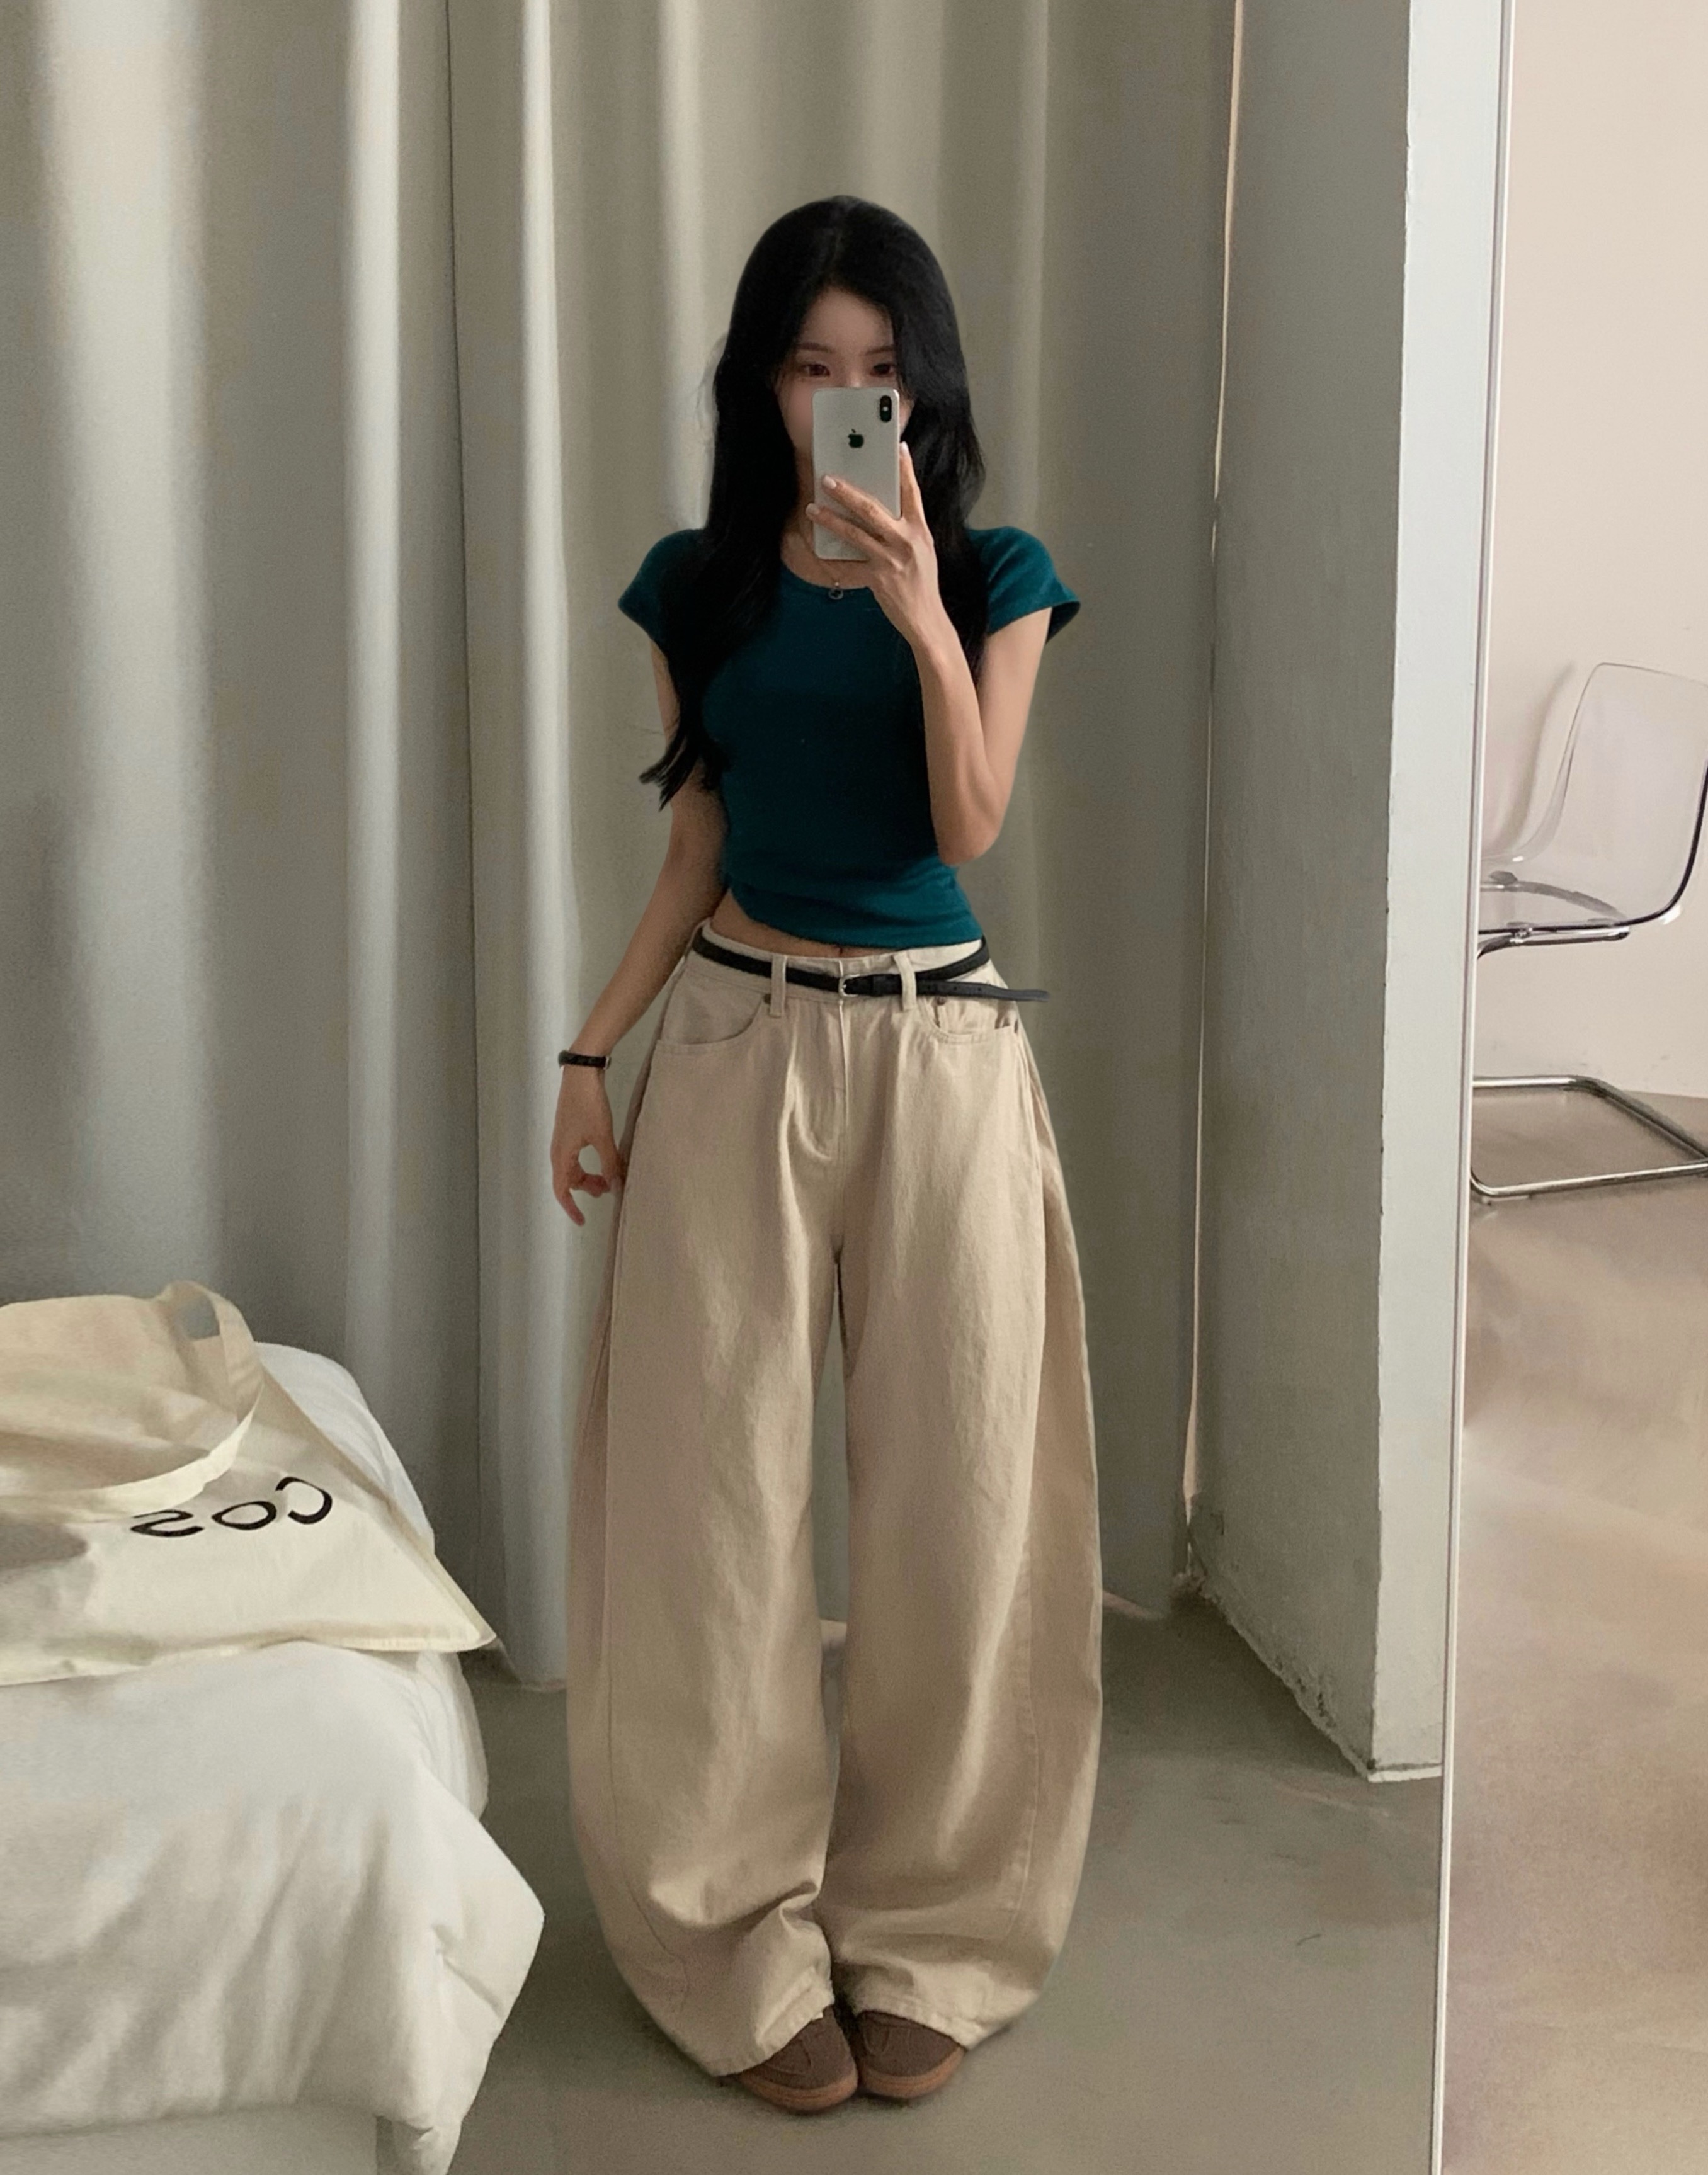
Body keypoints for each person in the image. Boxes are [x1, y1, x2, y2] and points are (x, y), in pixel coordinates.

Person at [552, 195, 1103, 2118]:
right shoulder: (694, 588)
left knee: (966, 1498)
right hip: (731, 1042)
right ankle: (727, 1929)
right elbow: (695, 847)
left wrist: (924, 614)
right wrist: (591, 1051)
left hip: (942, 1052)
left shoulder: (1003, 573)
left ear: (924, 389)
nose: (846, 400)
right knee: (708, 1502)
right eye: (811, 367)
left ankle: (937, 1924)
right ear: (760, 384)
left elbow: (971, 819)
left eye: (881, 370)